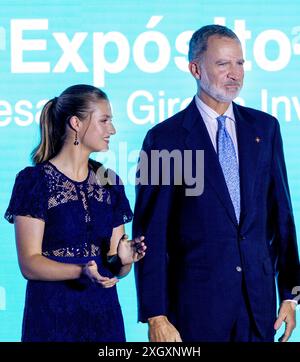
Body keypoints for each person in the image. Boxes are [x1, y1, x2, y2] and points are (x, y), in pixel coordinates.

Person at [133, 25, 300, 342]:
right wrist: (156, 315)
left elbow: (282, 218)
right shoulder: (164, 138)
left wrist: (291, 295)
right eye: (223, 64)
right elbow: (150, 231)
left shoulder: (266, 127)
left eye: (240, 63)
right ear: (195, 69)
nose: (234, 73)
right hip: (196, 312)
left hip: (260, 311)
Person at [4, 84, 146, 342]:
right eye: (104, 121)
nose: (112, 130)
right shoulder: (34, 181)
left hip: (104, 318)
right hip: (52, 318)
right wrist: (81, 271)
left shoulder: (109, 182)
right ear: (76, 123)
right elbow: (29, 263)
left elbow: (114, 266)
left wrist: (123, 260)